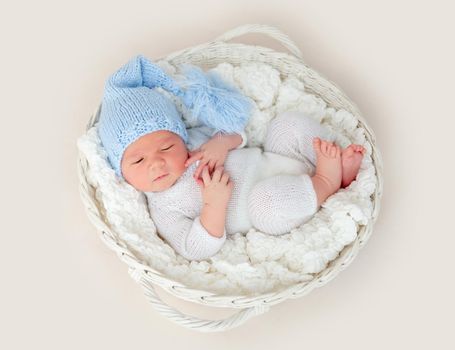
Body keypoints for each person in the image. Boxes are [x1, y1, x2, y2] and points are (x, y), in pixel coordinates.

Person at [98, 55, 365, 261]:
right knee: (265, 204)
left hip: (277, 159)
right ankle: (327, 182)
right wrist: (214, 205)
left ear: (179, 137)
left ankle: (335, 168)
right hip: (273, 206)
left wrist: (222, 143)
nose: (156, 162)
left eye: (166, 147)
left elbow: (239, 133)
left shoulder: (194, 141)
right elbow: (194, 248)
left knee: (286, 125)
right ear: (120, 172)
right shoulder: (164, 209)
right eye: (138, 161)